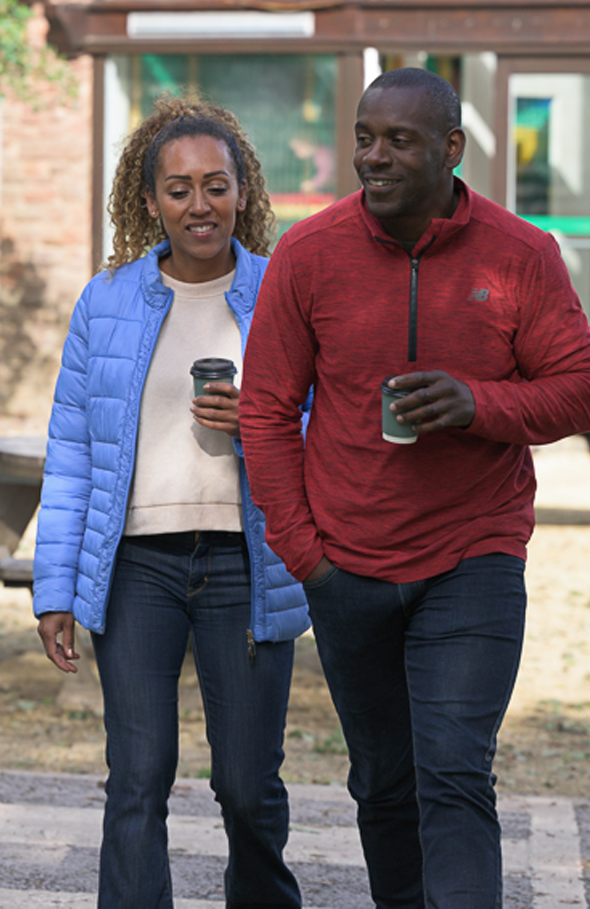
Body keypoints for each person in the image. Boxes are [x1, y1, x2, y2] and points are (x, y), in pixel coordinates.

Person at [239, 67, 590, 909]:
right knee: (384, 783)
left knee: (455, 772)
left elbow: (576, 388)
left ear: (451, 149)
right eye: (364, 137)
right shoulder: (309, 252)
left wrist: (480, 403)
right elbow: (266, 407)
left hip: (474, 555)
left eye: (399, 139)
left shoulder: (522, 254)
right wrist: (305, 551)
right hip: (345, 566)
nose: (374, 156)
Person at [33, 94, 309, 909]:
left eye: (216, 185)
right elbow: (72, 452)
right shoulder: (106, 300)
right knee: (138, 776)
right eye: (180, 188)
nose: (200, 204)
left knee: (249, 784)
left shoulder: (283, 293)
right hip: (137, 565)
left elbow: (326, 426)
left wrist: (261, 422)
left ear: (244, 192)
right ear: (149, 199)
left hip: (246, 562)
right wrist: (54, 588)